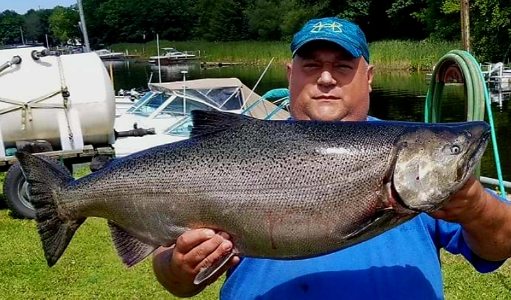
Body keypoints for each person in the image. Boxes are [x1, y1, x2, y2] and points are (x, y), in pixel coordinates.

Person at [152, 17, 511, 299]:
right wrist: (177, 270)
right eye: (311, 65)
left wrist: (476, 207)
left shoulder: (416, 155)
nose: (326, 78)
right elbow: (175, 278)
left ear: (368, 78)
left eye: (342, 66)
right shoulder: (238, 153)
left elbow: (502, 244)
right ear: (290, 75)